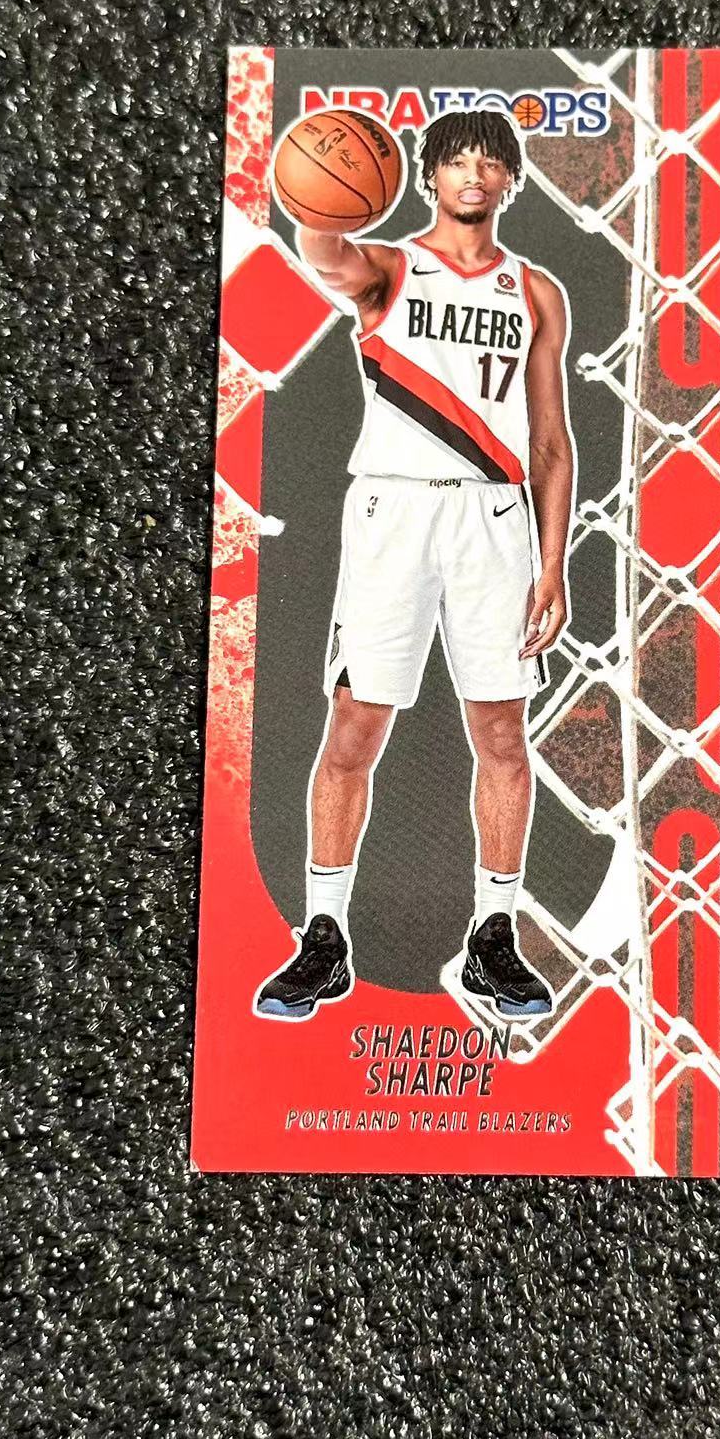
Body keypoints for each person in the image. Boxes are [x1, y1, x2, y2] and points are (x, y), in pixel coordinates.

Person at [254, 109, 573, 1023]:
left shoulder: (535, 290)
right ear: (429, 177)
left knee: (502, 734)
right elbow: (326, 252)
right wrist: (315, 191)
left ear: (509, 180)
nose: (473, 174)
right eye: (456, 161)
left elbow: (551, 443)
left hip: (494, 517)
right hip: (392, 509)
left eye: (490, 162)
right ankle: (323, 935)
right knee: (354, 726)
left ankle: (493, 936)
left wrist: (553, 565)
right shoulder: (389, 269)